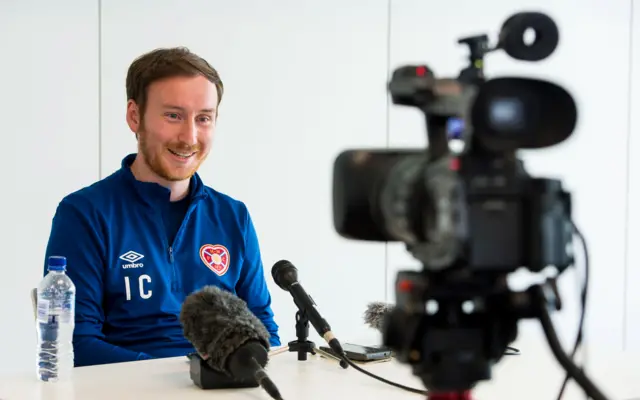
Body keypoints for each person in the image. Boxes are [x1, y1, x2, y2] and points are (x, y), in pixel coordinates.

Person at [42, 47, 280, 367]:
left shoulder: (233, 216)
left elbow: (264, 330)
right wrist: (180, 376)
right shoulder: (84, 213)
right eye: (173, 115)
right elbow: (77, 343)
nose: (189, 137)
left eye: (203, 118)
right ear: (134, 116)